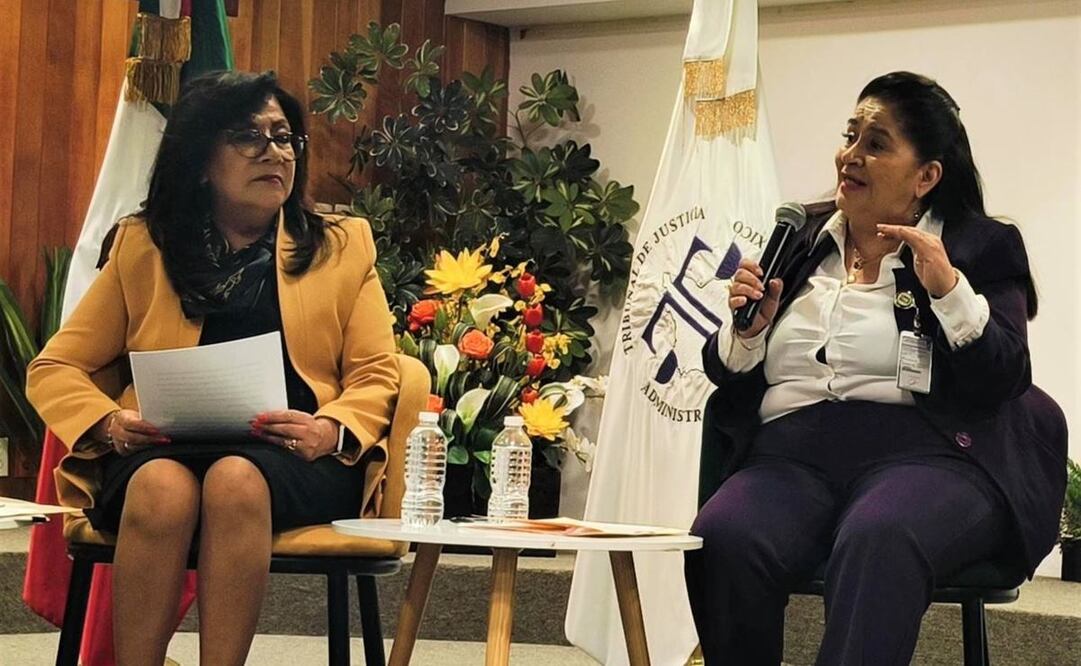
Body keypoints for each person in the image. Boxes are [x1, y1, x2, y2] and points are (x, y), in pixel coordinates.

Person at [684, 71, 1066, 665]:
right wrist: (749, 332)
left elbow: (1005, 375)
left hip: (931, 456)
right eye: (850, 136)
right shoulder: (801, 236)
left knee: (880, 535)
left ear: (926, 176)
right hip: (790, 456)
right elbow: (726, 372)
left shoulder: (979, 245)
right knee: (725, 536)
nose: (850, 156)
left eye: (877, 143)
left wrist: (950, 291)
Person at [26, 71, 400, 666]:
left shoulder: (341, 245)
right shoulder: (145, 246)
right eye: (249, 137)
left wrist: (331, 429)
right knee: (160, 486)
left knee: (235, 479)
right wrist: (108, 423)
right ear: (201, 160)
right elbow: (55, 366)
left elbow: (378, 371)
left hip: (297, 456)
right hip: (160, 450)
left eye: (284, 137)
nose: (274, 152)